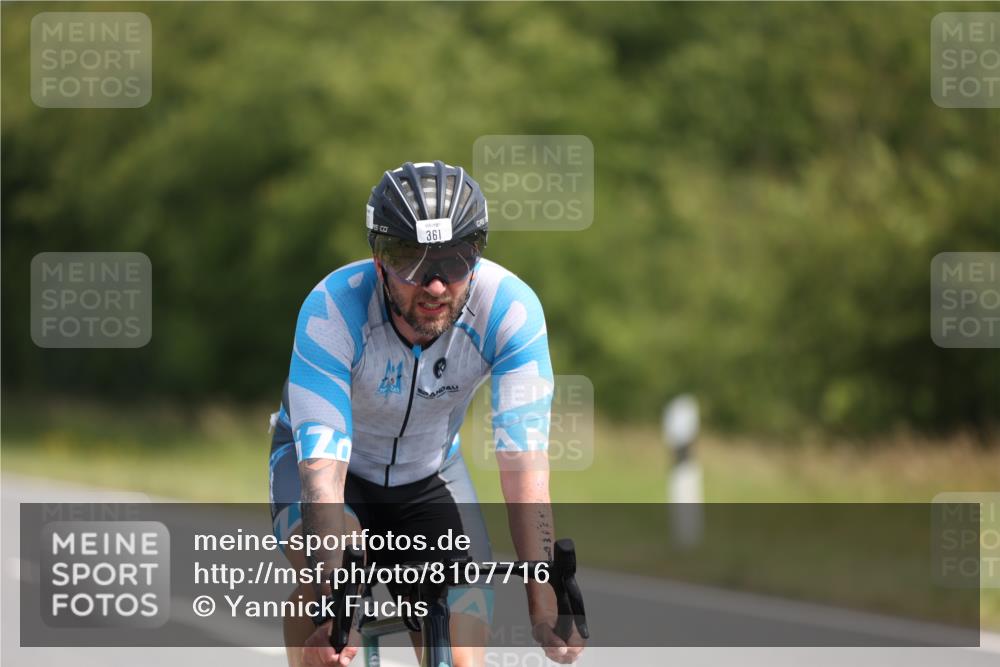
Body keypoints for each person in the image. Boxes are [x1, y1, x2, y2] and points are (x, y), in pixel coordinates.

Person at [268, 160, 585, 667]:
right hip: (330, 475)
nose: (435, 285)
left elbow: (524, 465)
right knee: (336, 603)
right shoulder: (332, 309)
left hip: (429, 473)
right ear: (378, 260)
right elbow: (323, 478)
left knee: (460, 656)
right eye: (411, 261)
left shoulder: (511, 311)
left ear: (477, 256)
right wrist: (332, 603)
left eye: (455, 260)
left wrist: (544, 603)